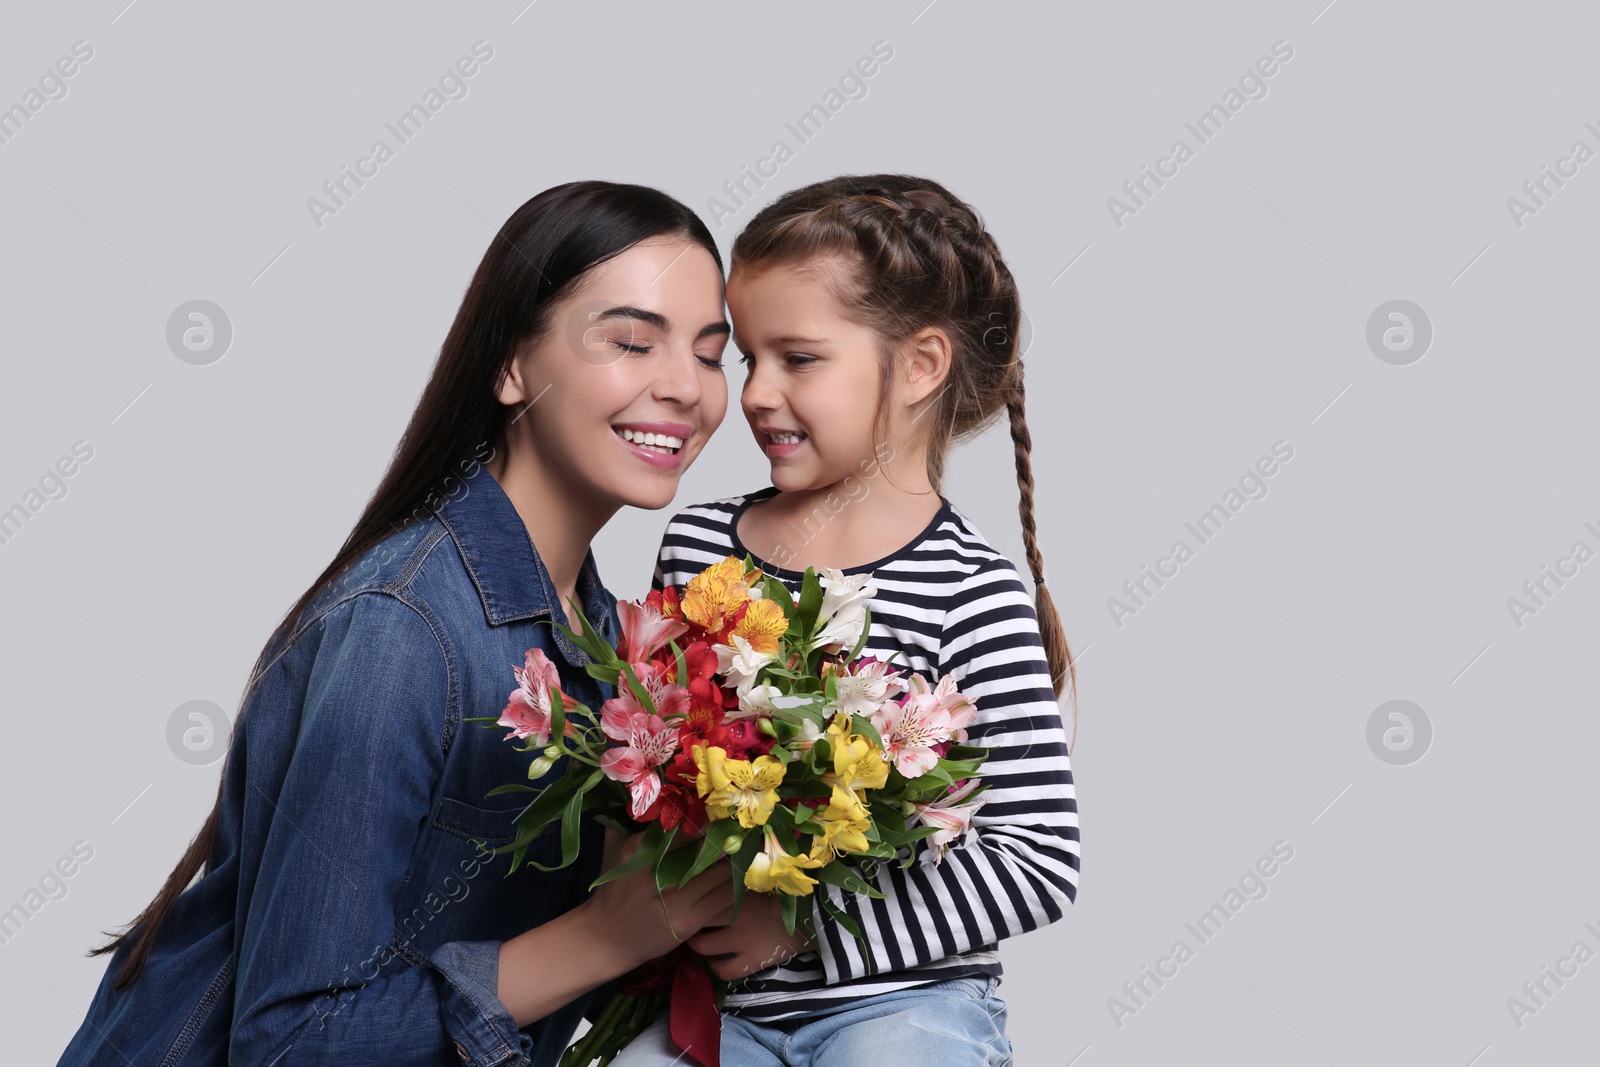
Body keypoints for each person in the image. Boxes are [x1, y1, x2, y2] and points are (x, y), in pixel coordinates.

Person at [55, 181, 755, 1067]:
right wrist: (608, 936)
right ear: (511, 365)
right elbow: (289, 1043)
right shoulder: (405, 628)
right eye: (630, 341)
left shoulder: (615, 651)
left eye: (709, 354)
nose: (684, 388)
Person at [612, 174, 1081, 1066]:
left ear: (920, 365)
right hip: (724, 1011)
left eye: (799, 357)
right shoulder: (702, 546)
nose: (754, 392)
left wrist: (803, 933)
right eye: (749, 357)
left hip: (906, 1005)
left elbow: (1038, 858)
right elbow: (651, 762)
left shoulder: (971, 590)